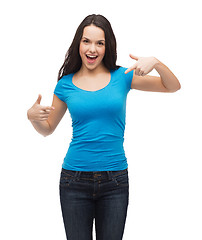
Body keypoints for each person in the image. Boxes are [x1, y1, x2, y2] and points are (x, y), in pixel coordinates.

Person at [27, 14, 181, 240]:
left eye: (100, 43)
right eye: (86, 41)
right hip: (73, 181)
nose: (92, 49)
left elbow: (172, 86)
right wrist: (32, 118)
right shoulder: (65, 84)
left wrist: (156, 62)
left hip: (115, 181)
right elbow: (48, 128)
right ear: (78, 43)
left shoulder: (123, 76)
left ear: (107, 47)